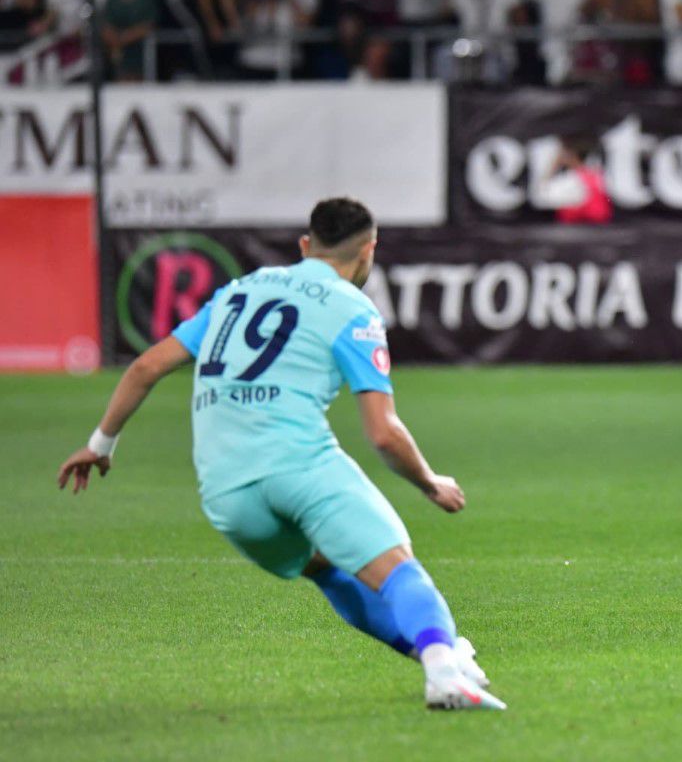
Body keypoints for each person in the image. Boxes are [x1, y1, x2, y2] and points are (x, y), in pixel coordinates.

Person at [56, 198, 506, 710]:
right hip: (298, 466)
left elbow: (145, 368)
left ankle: (444, 654)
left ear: (305, 245)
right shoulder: (352, 309)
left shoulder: (238, 292)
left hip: (226, 493)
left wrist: (100, 445)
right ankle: (444, 672)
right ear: (369, 250)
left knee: (326, 567)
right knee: (398, 567)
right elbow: (383, 433)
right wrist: (429, 482)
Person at [101, 0, 159, 81]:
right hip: (118, 51)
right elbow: (106, 22)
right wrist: (113, 39)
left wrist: (123, 38)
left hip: (140, 49)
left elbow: (149, 25)